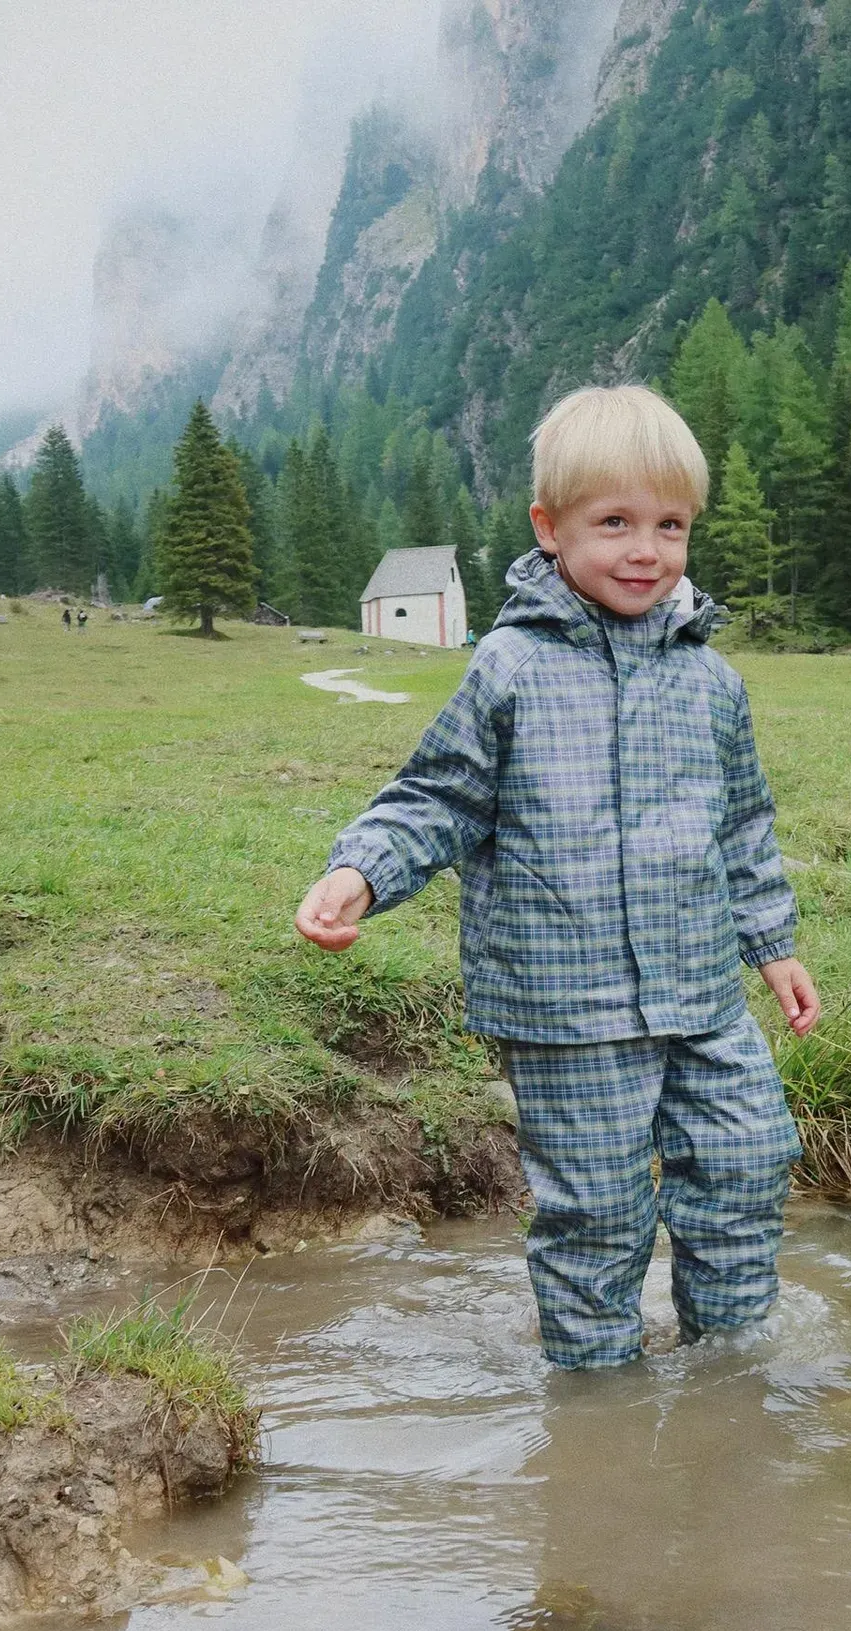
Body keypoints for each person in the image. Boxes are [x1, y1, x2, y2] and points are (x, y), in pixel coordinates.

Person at [294, 385, 819, 1370]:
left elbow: (744, 825)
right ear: (550, 528)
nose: (645, 550)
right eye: (614, 523)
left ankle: (732, 1365)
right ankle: (596, 1395)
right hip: (564, 1006)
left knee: (748, 1158)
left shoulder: (712, 681)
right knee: (599, 1212)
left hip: (702, 991)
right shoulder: (511, 667)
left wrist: (773, 946)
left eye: (669, 526)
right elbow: (439, 796)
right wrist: (361, 870)